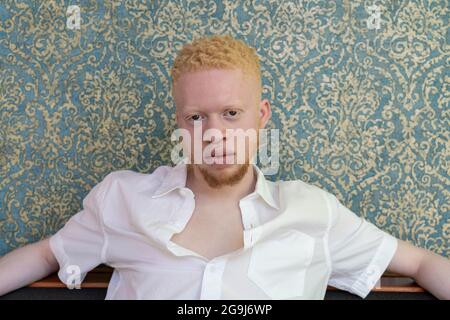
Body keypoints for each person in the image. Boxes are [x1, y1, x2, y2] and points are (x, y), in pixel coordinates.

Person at [0, 35, 449, 299]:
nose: (214, 134)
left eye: (231, 113)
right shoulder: (122, 199)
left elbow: (421, 262)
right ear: (180, 122)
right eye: (197, 117)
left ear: (262, 115)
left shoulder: (315, 212)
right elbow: (46, 254)